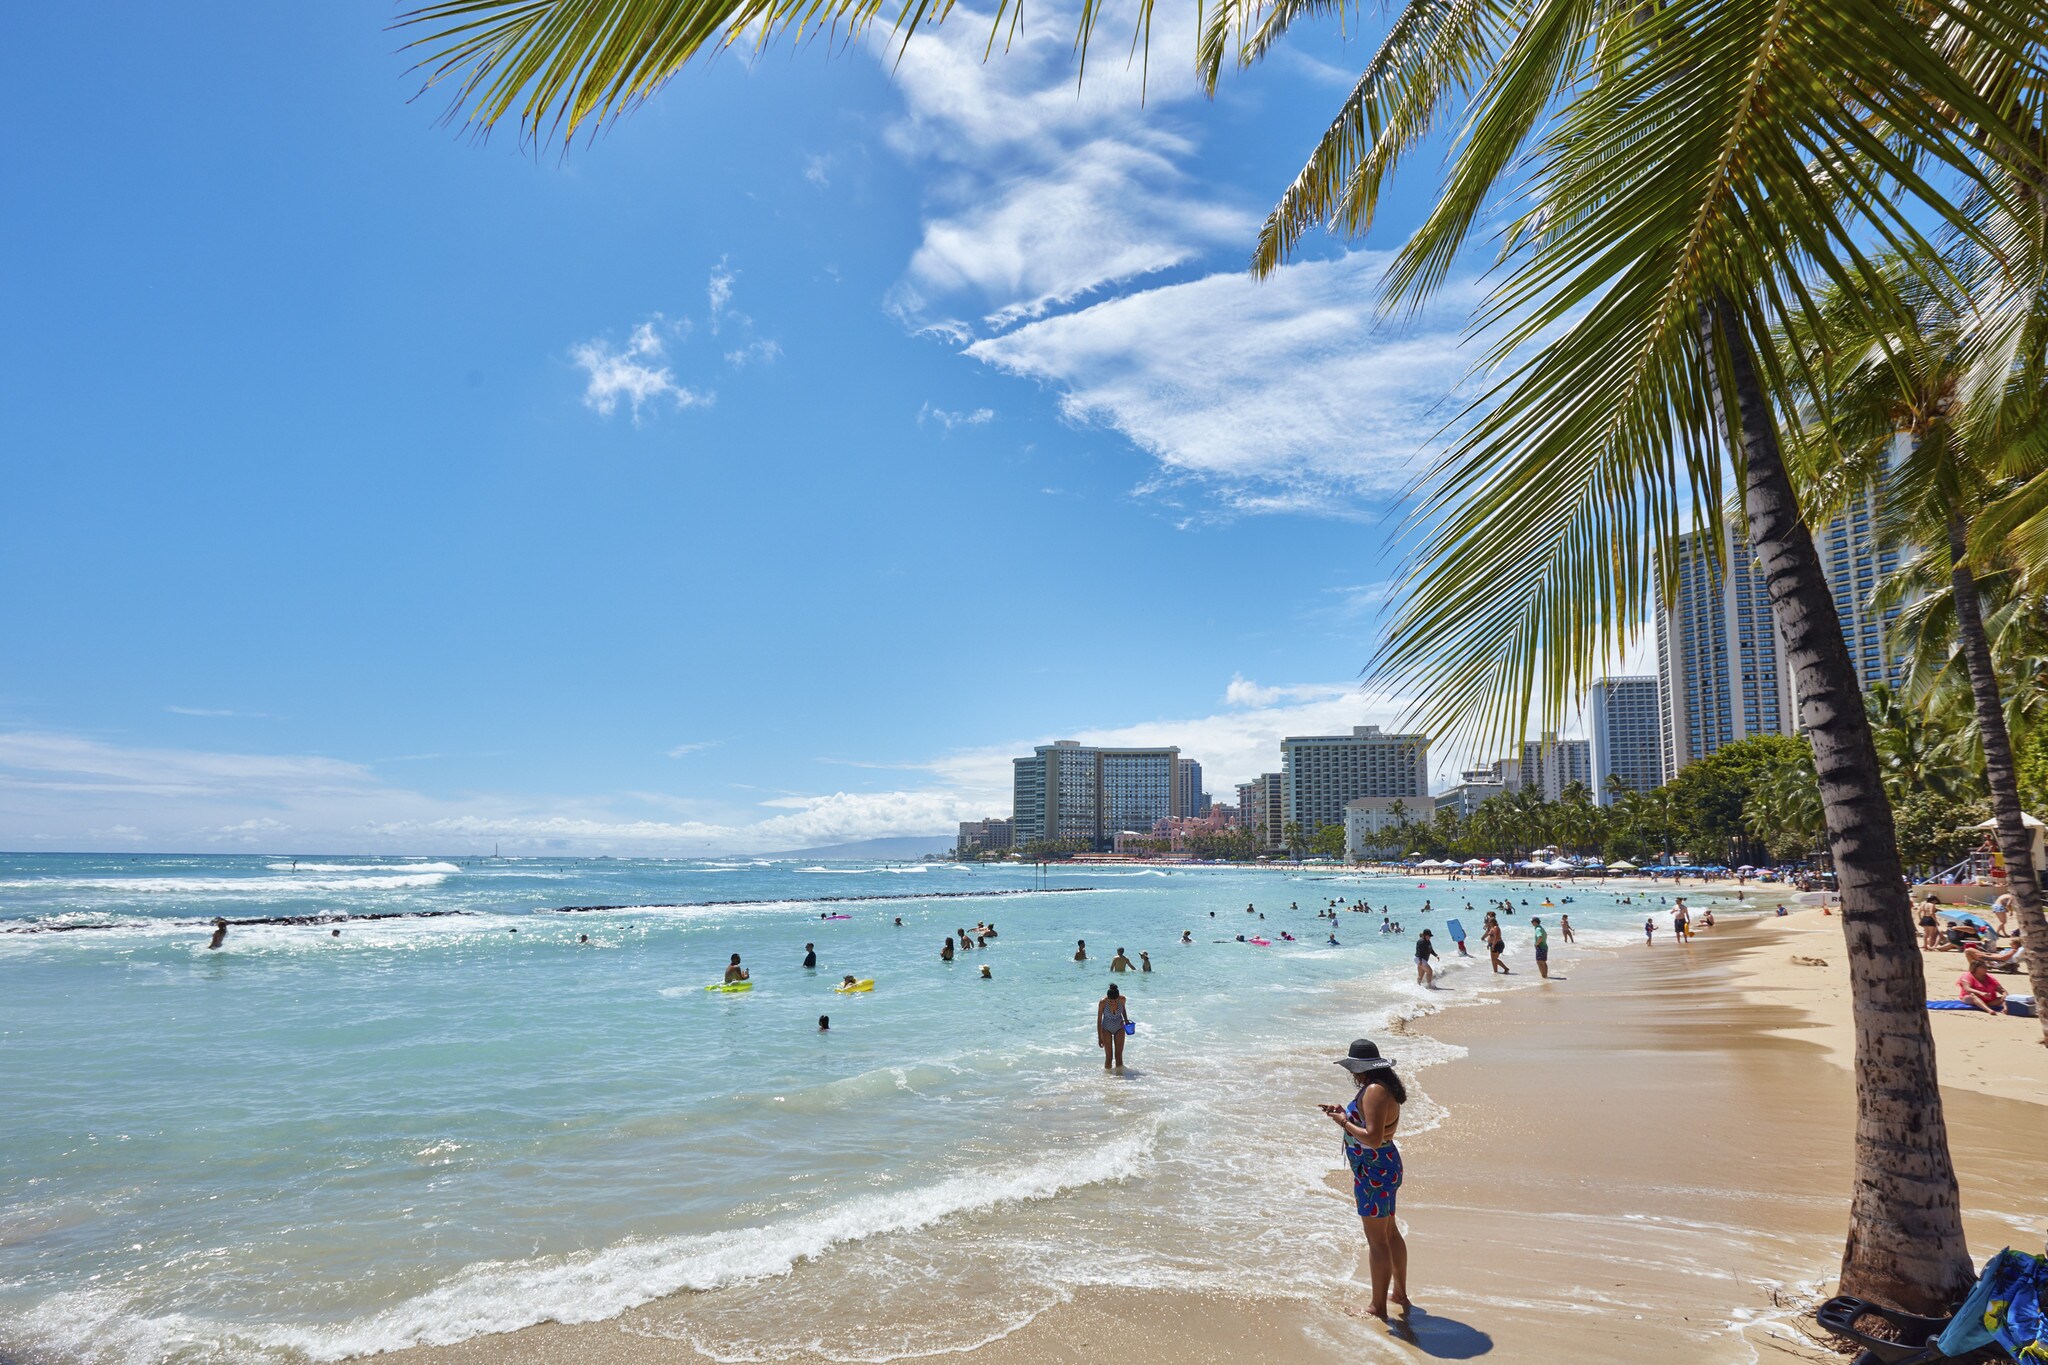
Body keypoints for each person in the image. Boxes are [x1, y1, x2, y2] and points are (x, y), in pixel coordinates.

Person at [1321, 1040, 1410, 1321]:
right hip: (1384, 1166)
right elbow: (1375, 1128)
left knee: (1377, 1240)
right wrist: (1346, 1113)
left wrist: (1343, 1123)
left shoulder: (1373, 1091)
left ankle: (1377, 1308)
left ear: (1359, 1068)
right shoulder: (1382, 1088)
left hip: (1374, 1172)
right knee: (1389, 1232)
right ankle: (1399, 1294)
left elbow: (1371, 1137)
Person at [1097, 984, 1130, 1070]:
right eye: (1111, 1001)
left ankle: (1120, 1079)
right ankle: (1108, 1080)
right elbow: (1099, 1020)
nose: (1113, 1003)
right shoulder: (1103, 1002)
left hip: (1119, 1027)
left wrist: (1126, 1019)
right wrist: (1099, 1037)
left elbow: (1123, 1010)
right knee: (1109, 1057)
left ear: (1118, 997)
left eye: (1115, 1001)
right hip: (1106, 1029)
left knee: (1118, 1056)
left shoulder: (1122, 999)